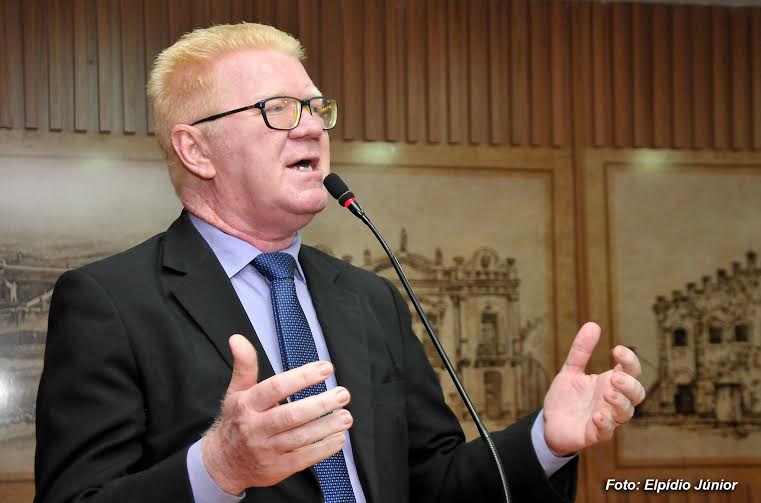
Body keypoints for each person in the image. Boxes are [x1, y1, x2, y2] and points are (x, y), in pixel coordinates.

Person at [34, 23, 645, 503]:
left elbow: (433, 482)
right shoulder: (109, 302)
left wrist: (546, 440)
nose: (311, 130)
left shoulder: (370, 299)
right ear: (197, 149)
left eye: (316, 108)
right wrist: (218, 467)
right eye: (278, 109)